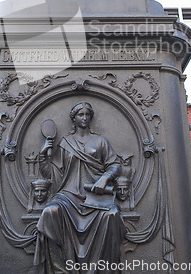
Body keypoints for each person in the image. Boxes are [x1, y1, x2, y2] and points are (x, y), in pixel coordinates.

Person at [34, 102, 126, 273]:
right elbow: (53, 174)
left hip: (95, 197)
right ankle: (61, 269)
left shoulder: (100, 141)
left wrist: (105, 178)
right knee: (49, 212)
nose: (84, 118)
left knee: (112, 214)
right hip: (68, 195)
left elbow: (115, 165)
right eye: (80, 115)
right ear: (73, 119)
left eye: (87, 115)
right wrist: (42, 155)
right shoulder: (66, 143)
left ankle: (104, 269)